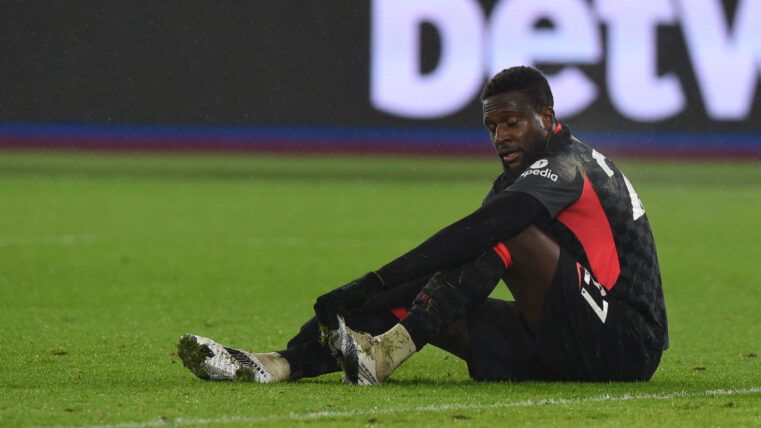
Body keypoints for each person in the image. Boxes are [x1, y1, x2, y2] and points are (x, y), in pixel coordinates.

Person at [177, 66, 668, 385]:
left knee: (496, 231)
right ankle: (278, 364)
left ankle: (387, 353)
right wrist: (363, 295)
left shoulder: (567, 167)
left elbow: (484, 232)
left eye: (513, 122)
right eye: (492, 126)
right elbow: (459, 260)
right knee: (426, 288)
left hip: (624, 346)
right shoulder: (518, 182)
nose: (500, 135)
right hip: (561, 341)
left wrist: (375, 278)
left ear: (547, 116)